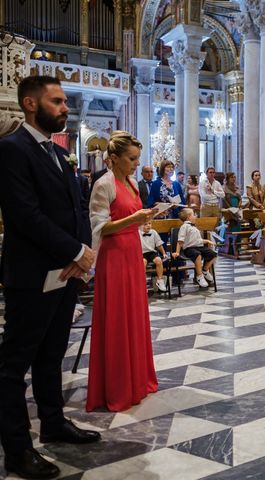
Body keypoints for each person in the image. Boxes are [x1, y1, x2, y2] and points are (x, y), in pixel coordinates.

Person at [0, 75, 100, 479]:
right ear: (30, 104)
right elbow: (26, 216)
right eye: (57, 102)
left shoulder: (58, 153)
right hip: (32, 274)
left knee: (52, 353)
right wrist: (78, 251)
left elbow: (78, 210)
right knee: (14, 364)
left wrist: (81, 257)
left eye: (64, 102)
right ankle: (18, 448)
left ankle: (54, 423)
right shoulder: (12, 150)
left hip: (63, 274)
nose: (65, 108)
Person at [86, 131, 158, 413]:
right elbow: (99, 227)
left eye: (138, 158)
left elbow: (132, 220)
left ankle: (137, 380)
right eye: (132, 158)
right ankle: (117, 387)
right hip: (113, 257)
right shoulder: (104, 185)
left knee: (134, 316)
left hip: (131, 252)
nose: (136, 164)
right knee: (117, 319)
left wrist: (145, 219)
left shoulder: (130, 182)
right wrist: (133, 219)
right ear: (113, 158)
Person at [174, 208, 217, 288]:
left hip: (198, 247)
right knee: (198, 255)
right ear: (189, 217)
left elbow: (198, 240)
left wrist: (207, 241)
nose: (195, 216)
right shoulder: (184, 227)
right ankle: (199, 276)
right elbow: (180, 240)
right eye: (194, 214)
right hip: (189, 249)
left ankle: (205, 270)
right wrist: (177, 252)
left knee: (213, 254)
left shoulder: (194, 227)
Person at [140, 221, 168, 292]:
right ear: (140, 225)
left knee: (158, 260)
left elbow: (159, 244)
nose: (148, 226)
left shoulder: (153, 232)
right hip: (142, 253)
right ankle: (143, 284)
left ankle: (160, 280)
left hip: (152, 252)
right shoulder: (138, 233)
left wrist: (164, 253)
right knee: (143, 262)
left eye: (149, 224)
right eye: (145, 224)